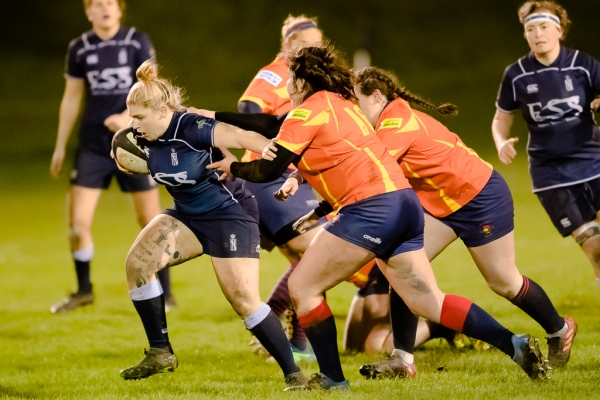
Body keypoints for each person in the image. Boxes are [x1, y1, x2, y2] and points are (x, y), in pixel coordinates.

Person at [207, 45, 548, 390]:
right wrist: (215, 116)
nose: (287, 87)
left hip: (369, 211)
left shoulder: (308, 113)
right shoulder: (342, 103)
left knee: (304, 287)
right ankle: (514, 344)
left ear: (303, 81)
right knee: (427, 299)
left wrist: (232, 165)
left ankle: (332, 380)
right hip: (406, 206)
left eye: (291, 79)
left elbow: (268, 168)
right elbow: (272, 124)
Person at [345, 66, 573, 376]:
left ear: (376, 96)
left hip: (479, 198)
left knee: (503, 282)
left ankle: (559, 330)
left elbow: (369, 171)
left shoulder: (396, 123)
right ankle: (402, 359)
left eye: (355, 101)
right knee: (401, 262)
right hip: (444, 203)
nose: (353, 111)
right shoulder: (384, 120)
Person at [116, 60, 307, 390]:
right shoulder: (141, 136)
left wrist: (277, 157)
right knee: (138, 264)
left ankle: (295, 375)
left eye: (139, 116)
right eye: (130, 115)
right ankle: (161, 352)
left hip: (229, 214)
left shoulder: (190, 126)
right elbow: (126, 151)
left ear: (163, 110)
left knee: (244, 300)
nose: (133, 123)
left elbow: (241, 135)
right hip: (187, 217)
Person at [49, 0, 174, 314]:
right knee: (78, 224)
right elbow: (72, 96)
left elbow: (153, 90)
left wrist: (125, 117)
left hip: (133, 141)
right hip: (93, 145)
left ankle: (166, 292)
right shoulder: (80, 48)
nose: (105, 8)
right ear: (88, 11)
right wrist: (60, 145)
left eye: (110, 3)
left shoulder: (136, 41)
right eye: (98, 3)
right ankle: (84, 291)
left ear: (120, 9)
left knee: (149, 219)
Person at [492, 1, 600, 289]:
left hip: (595, 163)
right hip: (551, 176)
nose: (537, 33)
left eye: (543, 26)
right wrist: (501, 141)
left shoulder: (584, 65)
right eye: (530, 28)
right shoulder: (517, 74)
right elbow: (501, 118)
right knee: (595, 249)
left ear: (559, 30)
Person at [237, 14, 324, 359]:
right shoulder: (277, 71)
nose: (315, 47)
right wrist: (281, 140)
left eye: (319, 42)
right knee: (317, 250)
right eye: (307, 42)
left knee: (308, 258)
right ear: (288, 44)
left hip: (288, 177)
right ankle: (280, 326)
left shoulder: (311, 79)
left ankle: (294, 339)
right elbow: (249, 107)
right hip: (271, 176)